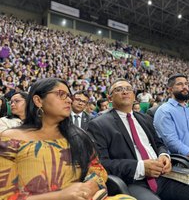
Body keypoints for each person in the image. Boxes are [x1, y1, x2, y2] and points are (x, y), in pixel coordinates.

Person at [0, 78, 135, 200]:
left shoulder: (78, 136)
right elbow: (5, 195)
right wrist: (60, 196)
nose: (69, 100)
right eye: (61, 94)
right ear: (38, 100)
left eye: (69, 96)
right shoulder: (9, 139)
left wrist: (91, 186)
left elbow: (97, 171)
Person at [88, 78, 189, 200]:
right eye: (118, 89)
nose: (125, 92)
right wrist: (141, 167)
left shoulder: (144, 118)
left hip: (162, 175)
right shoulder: (99, 124)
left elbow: (159, 143)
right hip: (133, 181)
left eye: (128, 89)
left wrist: (164, 155)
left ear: (134, 96)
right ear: (110, 98)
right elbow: (102, 164)